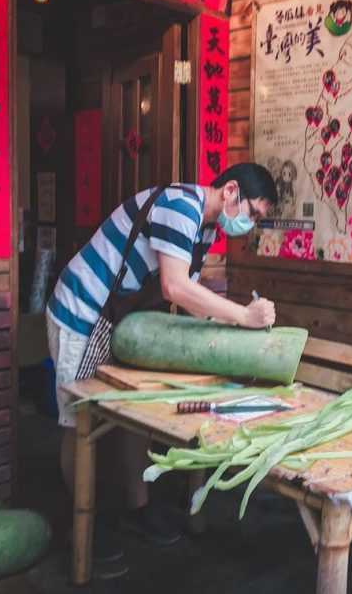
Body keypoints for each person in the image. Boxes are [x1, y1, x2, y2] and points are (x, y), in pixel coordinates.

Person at [46, 163, 278, 578]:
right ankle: (81, 522)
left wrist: (223, 326)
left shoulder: (206, 228)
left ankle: (138, 509)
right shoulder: (180, 206)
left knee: (130, 412)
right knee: (78, 419)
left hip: (118, 321)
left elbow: (188, 297)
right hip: (81, 312)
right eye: (254, 213)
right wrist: (243, 316)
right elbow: (174, 286)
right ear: (230, 191)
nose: (250, 224)